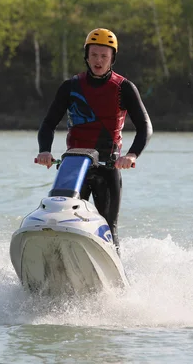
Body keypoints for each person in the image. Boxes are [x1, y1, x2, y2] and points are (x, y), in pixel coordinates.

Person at [35, 27, 153, 255]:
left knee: (108, 227)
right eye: (94, 55)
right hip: (73, 167)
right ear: (86, 56)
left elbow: (145, 127)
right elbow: (48, 123)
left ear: (112, 58)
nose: (98, 61)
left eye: (104, 56)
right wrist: (45, 151)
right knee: (61, 220)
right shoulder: (70, 87)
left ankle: (117, 283)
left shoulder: (124, 88)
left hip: (107, 166)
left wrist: (131, 155)